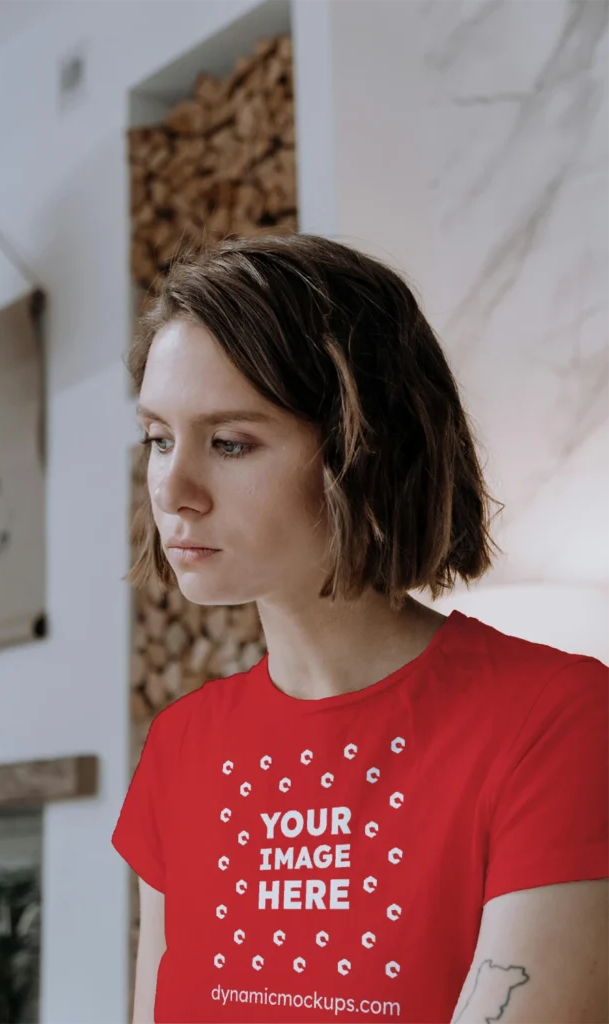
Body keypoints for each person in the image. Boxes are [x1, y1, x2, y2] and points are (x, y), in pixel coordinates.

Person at [111, 234, 609, 1024]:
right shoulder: (180, 746)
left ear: (363, 449)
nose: (172, 488)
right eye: (157, 439)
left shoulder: (555, 718)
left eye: (230, 442)